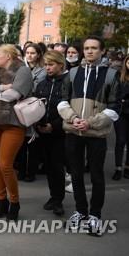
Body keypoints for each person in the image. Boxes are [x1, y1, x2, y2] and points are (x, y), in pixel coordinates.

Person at [58, 36, 120, 236]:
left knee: (96, 176)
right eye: (86, 48)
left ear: (102, 51)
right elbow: (62, 101)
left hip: (96, 133)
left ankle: (95, 215)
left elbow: (115, 108)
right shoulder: (73, 72)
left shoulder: (111, 75)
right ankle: (80, 211)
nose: (90, 51)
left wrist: (90, 122)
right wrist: (73, 118)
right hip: (74, 131)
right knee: (75, 174)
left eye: (94, 48)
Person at [0, 44, 33, 220]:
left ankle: (14, 202)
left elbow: (14, 95)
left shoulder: (23, 71)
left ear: (9, 56)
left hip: (13, 123)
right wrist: (3, 88)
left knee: (6, 165)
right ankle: (1, 201)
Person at [34, 51, 69, 216]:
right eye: (46, 64)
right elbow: (36, 106)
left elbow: (69, 109)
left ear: (60, 65)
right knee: (48, 166)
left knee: (57, 167)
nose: (47, 68)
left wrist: (53, 126)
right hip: (42, 131)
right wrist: (38, 125)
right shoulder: (41, 84)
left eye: (51, 64)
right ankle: (53, 196)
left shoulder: (68, 83)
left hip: (60, 132)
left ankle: (58, 200)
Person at [16, 43, 46, 182]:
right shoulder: (22, 68)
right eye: (27, 53)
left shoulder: (43, 70)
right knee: (21, 140)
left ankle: (31, 171)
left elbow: (37, 87)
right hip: (20, 105)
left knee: (32, 140)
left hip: (34, 106)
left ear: (38, 54)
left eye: (33, 53)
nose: (30, 55)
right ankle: (21, 169)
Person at [112, 55, 129, 180]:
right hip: (121, 113)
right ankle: (118, 167)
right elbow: (117, 94)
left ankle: (127, 167)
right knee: (120, 141)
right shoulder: (119, 76)